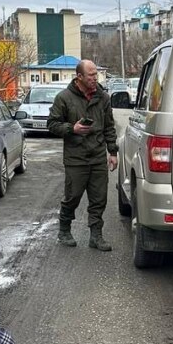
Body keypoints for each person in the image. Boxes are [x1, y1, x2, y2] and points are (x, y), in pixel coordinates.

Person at [47, 59, 118, 251]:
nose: (95, 78)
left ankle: (96, 236)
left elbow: (109, 126)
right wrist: (73, 128)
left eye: (96, 74)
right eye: (91, 75)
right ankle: (64, 230)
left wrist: (112, 151)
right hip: (75, 158)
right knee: (73, 196)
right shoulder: (64, 98)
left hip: (97, 156)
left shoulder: (102, 98)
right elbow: (52, 124)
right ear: (79, 77)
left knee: (99, 198)